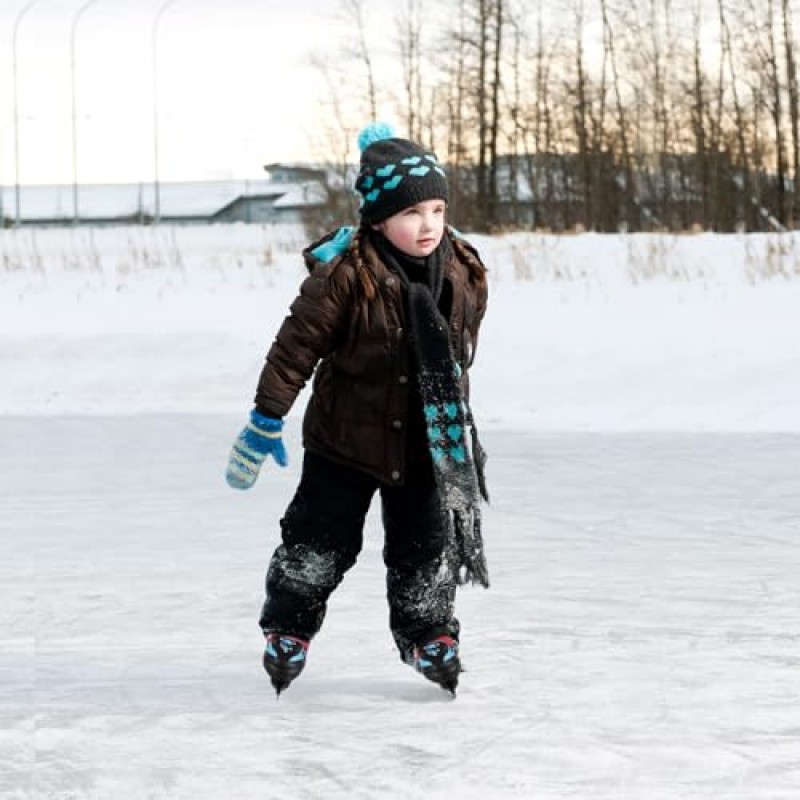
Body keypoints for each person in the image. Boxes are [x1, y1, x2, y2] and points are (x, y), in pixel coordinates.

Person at [225, 122, 490, 697]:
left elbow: (459, 354)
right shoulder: (346, 275)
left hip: (425, 445)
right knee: (315, 543)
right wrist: (265, 418)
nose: (427, 225)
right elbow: (294, 348)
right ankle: (289, 630)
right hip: (345, 443)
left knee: (425, 549)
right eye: (411, 212)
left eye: (437, 209)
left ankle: (430, 636)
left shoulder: (463, 269)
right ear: (377, 219)